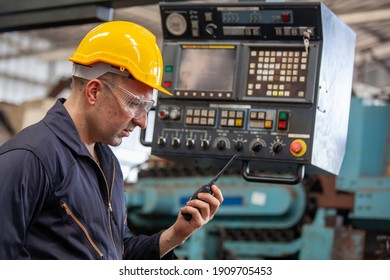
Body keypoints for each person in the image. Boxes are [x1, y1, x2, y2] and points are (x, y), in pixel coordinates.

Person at [0, 21, 223, 259]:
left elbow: (118, 252)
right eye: (135, 103)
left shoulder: (108, 164)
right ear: (94, 91)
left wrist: (175, 235)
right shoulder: (30, 159)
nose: (142, 122)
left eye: (146, 107)